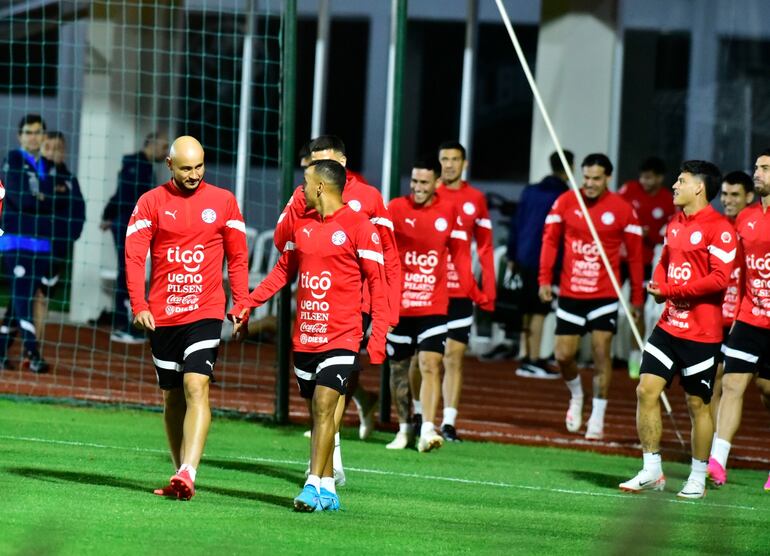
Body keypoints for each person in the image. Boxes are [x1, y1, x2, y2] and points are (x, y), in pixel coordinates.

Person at [231, 159, 388, 511]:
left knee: (323, 405)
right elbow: (280, 273)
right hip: (305, 336)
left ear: (320, 186)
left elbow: (379, 282)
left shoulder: (360, 227)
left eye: (305, 181)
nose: (300, 188)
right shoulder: (301, 226)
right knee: (320, 415)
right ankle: (329, 488)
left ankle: (311, 484)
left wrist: (376, 336)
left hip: (343, 335)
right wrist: (248, 303)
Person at [125, 136, 250, 500]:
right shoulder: (150, 202)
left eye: (199, 167)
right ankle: (179, 473)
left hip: (206, 311)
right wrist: (139, 304)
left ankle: (189, 471)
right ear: (169, 165)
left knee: (197, 384)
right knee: (171, 396)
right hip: (163, 315)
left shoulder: (224, 201)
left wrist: (240, 302)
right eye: (186, 168)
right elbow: (134, 257)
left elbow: (238, 258)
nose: (194, 174)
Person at [274, 135, 400, 485]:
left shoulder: (369, 199)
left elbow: (387, 256)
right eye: (309, 164)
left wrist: (388, 309)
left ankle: (330, 467)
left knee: (331, 390)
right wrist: (295, 204)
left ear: (341, 163)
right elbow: (282, 241)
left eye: (321, 162)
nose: (311, 171)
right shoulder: (307, 198)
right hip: (315, 308)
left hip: (353, 305)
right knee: (329, 386)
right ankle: (354, 418)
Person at [619, 160, 735, 499]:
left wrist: (671, 291)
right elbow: (666, 258)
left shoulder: (720, 228)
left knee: (698, 404)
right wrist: (660, 280)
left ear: (699, 187)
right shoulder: (675, 222)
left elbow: (719, 280)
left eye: (681, 181)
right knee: (645, 390)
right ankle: (652, 469)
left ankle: (698, 475)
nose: (674, 186)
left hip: (701, 333)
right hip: (669, 325)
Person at [385, 157, 487, 452]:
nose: (417, 187)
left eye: (424, 183)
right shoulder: (395, 208)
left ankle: (428, 428)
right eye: (414, 182)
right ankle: (405, 428)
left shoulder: (448, 210)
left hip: (433, 303)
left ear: (435, 183)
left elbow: (459, 254)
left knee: (432, 363)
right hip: (400, 303)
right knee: (400, 369)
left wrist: (471, 289)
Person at [539, 153, 643, 440]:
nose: (590, 184)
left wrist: (636, 298)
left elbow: (634, 257)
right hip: (571, 292)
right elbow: (549, 240)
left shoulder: (622, 209)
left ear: (608, 178)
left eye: (596, 178)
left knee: (601, 353)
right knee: (563, 355)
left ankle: (597, 416)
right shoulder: (566, 201)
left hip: (604, 295)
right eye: (586, 178)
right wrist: (544, 279)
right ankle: (576, 395)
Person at [708, 152, 770, 491]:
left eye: (764, 169)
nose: (757, 174)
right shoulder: (746, 218)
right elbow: (743, 272)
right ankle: (717, 460)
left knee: (767, 393)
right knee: (731, 385)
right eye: (757, 168)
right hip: (748, 319)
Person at [435, 141, 496, 441]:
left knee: (453, 357)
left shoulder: (475, 199)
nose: (449, 164)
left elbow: (485, 246)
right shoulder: (427, 192)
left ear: (464, 163)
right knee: (425, 358)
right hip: (428, 290)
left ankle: (448, 423)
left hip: (461, 290)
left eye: (454, 159)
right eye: (444, 159)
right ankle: (418, 416)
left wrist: (489, 289)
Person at [508, 150, 572, 379]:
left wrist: (512, 255)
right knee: (539, 310)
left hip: (524, 256)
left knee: (528, 308)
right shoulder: (564, 195)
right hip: (545, 258)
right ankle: (532, 359)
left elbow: (516, 223)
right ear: (569, 168)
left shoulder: (530, 191)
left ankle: (527, 355)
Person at [0, 114, 55, 373]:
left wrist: (41, 199)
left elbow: (54, 201)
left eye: (38, 132)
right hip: (16, 241)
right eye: (28, 132)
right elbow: (21, 199)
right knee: (23, 297)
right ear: (19, 136)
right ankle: (33, 353)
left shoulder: (47, 164)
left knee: (19, 300)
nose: (33, 136)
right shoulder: (12, 159)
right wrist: (42, 200)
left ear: (44, 136)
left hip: (41, 244)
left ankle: (1, 351)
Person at [102, 131, 169, 344]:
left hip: (133, 225)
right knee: (127, 271)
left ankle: (129, 322)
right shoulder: (136, 165)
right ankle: (123, 325)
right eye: (163, 146)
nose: (165, 151)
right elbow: (125, 194)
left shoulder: (145, 167)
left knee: (133, 272)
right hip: (127, 224)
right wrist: (111, 214)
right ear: (151, 143)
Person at [619, 157, 675, 377]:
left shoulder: (667, 200)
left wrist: (648, 234)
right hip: (618, 259)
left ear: (660, 178)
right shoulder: (629, 190)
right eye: (642, 176)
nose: (645, 181)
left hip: (642, 262)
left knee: (638, 309)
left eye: (650, 177)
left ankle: (635, 357)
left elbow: (666, 235)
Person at [709, 172, 754, 425]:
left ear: (749, 196)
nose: (727, 200)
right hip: (718, 318)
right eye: (724, 194)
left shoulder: (758, 228)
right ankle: (716, 448)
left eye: (734, 194)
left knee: (765, 388)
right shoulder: (716, 227)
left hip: (750, 319)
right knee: (716, 380)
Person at [34, 131, 86, 340]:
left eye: (58, 148)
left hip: (57, 249)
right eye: (49, 147)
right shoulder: (33, 175)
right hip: (32, 245)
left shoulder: (70, 180)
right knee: (29, 294)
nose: (54, 151)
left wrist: (70, 236)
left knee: (43, 296)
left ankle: (33, 345)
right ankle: (24, 344)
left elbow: (78, 210)